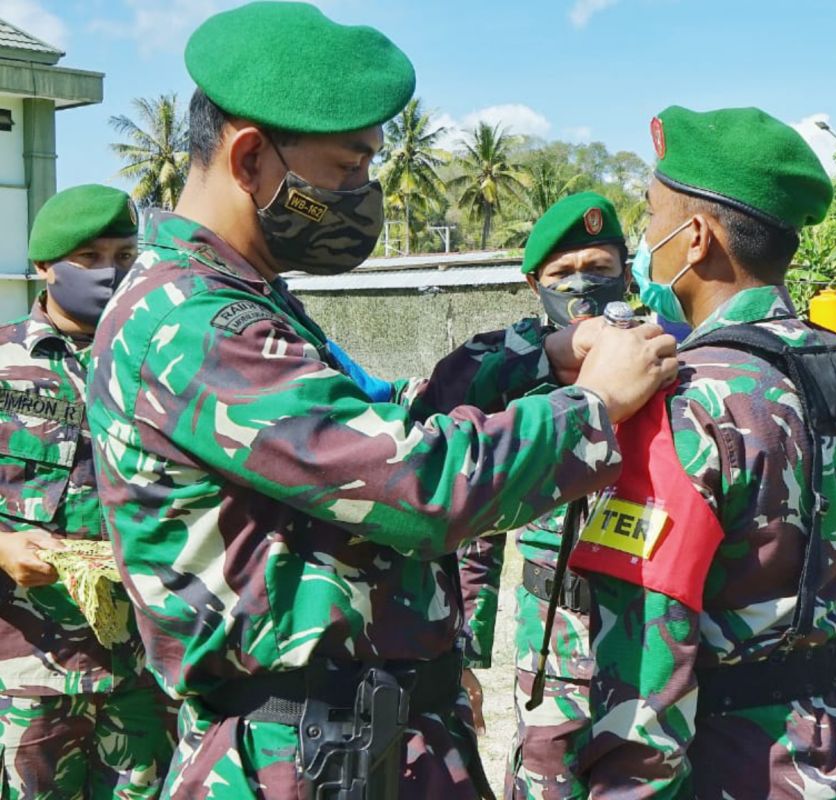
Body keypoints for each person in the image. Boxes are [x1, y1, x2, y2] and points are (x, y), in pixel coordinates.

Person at [85, 3, 676, 798]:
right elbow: (412, 485)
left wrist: (536, 355)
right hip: (301, 759)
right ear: (252, 157)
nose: (365, 192)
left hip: (352, 741)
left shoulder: (244, 301)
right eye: (348, 167)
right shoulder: (192, 323)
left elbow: (379, 420)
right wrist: (595, 408)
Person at [567, 106, 836, 799]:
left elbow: (647, 661)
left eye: (652, 216)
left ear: (694, 239)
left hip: (733, 766)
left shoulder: (683, 396)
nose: (644, 238)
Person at [0, 184, 176, 798]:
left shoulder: (163, 364)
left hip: (149, 666)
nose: (109, 271)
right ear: (44, 267)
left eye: (124, 255)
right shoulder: (3, 366)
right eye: (89, 256)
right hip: (32, 668)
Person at [457, 191, 629, 799]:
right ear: (535, 284)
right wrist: (464, 655)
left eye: (600, 269)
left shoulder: (666, 357)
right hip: (549, 644)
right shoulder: (509, 374)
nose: (582, 286)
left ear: (627, 271)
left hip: (648, 640)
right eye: (562, 273)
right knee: (544, 777)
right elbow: (474, 535)